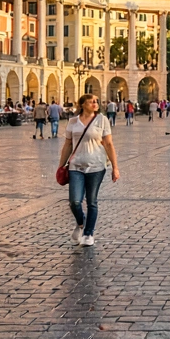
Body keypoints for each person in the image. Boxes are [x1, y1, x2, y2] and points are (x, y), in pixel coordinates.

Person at [59, 94, 120, 247]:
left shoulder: (102, 120)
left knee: (92, 201)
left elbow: (109, 144)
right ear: (82, 104)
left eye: (96, 101)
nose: (95, 103)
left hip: (97, 166)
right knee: (74, 201)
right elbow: (67, 145)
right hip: (75, 166)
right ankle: (81, 223)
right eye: (91, 101)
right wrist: (61, 166)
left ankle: (88, 233)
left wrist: (115, 167)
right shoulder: (73, 122)